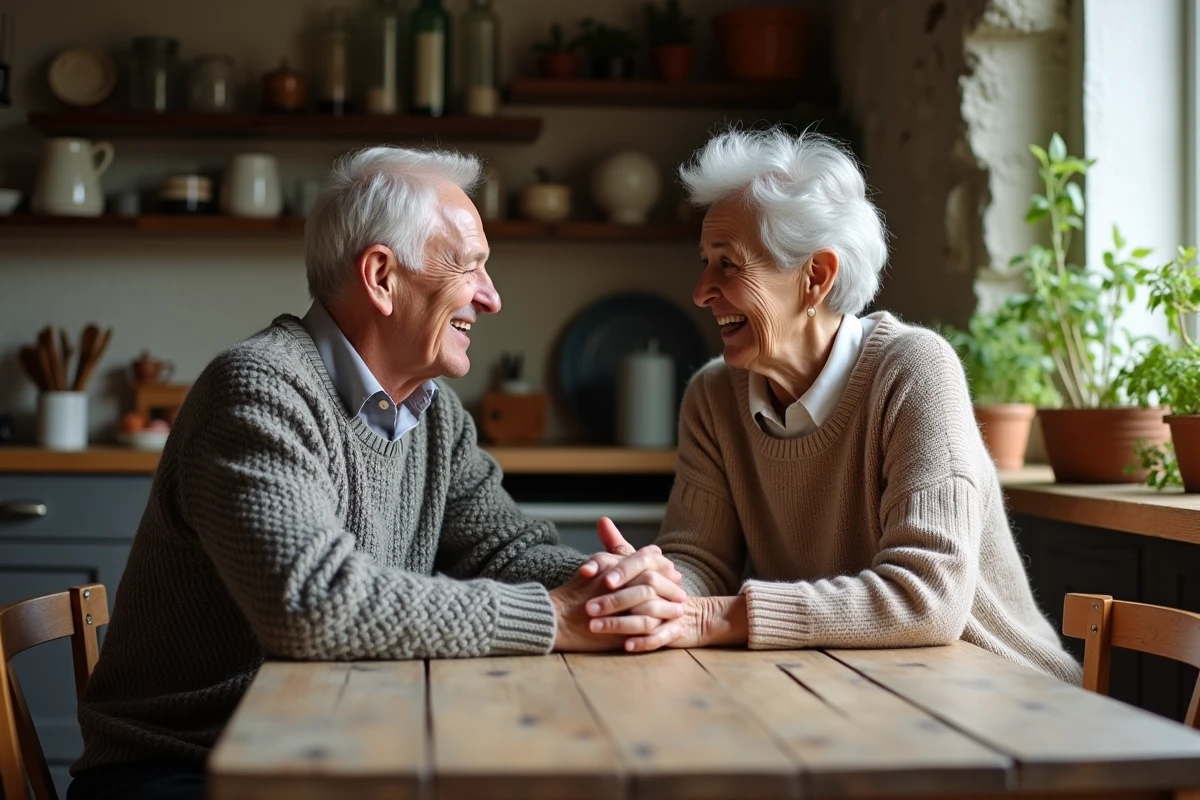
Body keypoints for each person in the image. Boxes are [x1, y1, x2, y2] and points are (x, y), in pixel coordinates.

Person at [67, 146, 685, 800]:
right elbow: (313, 605)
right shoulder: (256, 391)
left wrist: (617, 591)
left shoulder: (433, 415)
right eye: (471, 267)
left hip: (329, 747)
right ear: (382, 276)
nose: (491, 297)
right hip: (181, 769)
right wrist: (556, 618)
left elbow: (507, 547)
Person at [581, 127, 1081, 684]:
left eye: (727, 264)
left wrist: (710, 616)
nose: (700, 291)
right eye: (704, 261)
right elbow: (700, 561)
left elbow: (928, 598)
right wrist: (656, 587)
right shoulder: (713, 396)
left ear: (815, 277)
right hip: (855, 685)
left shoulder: (915, 371)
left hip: (1003, 696)